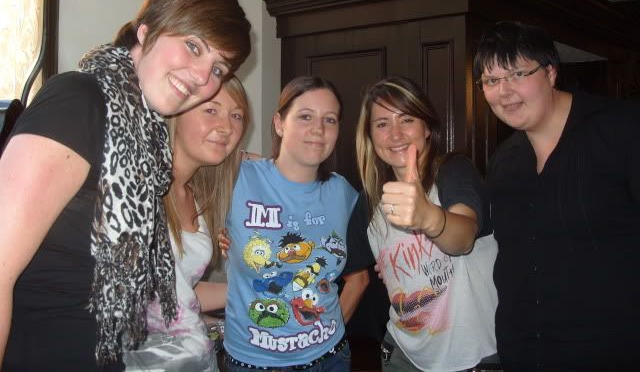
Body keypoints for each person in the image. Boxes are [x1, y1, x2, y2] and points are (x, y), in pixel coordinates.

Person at [0, 0, 251, 371]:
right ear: (146, 31)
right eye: (193, 46)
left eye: (218, 67)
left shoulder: (147, 144)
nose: (203, 78)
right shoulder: (80, 101)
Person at [474, 21, 640, 370]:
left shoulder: (622, 130)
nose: (504, 91)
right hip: (523, 352)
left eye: (518, 74)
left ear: (550, 72)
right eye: (491, 80)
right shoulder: (503, 159)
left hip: (613, 353)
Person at [344, 76, 498, 371]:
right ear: (370, 136)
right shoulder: (371, 200)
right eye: (382, 124)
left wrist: (428, 216)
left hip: (472, 358)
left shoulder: (452, 171)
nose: (395, 134)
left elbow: (464, 236)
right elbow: (354, 274)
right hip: (401, 355)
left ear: (427, 128)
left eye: (407, 120)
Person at [222, 76, 359, 371]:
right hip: (252, 362)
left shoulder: (343, 193)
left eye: (330, 119)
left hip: (331, 359)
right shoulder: (238, 178)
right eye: (305, 116)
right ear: (279, 123)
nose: (319, 129)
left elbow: (359, 277)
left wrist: (328, 337)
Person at [123, 76, 249, 371]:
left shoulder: (195, 196)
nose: (227, 126)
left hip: (200, 360)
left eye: (236, 115)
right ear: (175, 113)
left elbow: (178, 292)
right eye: (211, 110)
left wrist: (252, 290)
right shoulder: (136, 189)